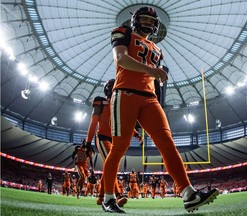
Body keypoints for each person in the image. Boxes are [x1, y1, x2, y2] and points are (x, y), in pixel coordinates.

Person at [101, 6, 219, 213]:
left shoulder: (157, 49)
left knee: (167, 143)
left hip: (149, 98)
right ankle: (108, 198)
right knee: (119, 147)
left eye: (150, 21)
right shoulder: (122, 32)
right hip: (125, 92)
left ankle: (188, 193)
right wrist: (150, 70)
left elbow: (154, 77)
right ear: (135, 20)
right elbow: (120, 58)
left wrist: (156, 77)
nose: (147, 23)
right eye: (144, 19)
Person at [84, 79, 142, 207]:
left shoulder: (118, 105)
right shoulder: (100, 102)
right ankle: (117, 195)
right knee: (112, 164)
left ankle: (100, 196)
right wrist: (88, 143)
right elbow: (93, 123)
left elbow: (125, 123)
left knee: (109, 166)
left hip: (113, 140)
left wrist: (137, 135)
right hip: (102, 137)